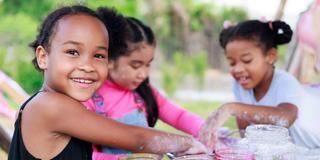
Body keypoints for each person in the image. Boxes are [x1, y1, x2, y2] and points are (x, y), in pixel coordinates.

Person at [8, 5, 209, 160]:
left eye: (98, 55)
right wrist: (189, 143)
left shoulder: (54, 105)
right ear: (43, 57)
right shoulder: (50, 105)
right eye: (72, 52)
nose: (87, 66)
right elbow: (137, 138)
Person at [83, 8, 207, 160]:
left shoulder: (142, 92)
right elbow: (86, 155)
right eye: (135, 66)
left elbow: (178, 116)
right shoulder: (89, 99)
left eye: (148, 65)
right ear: (109, 60)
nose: (144, 74)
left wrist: (208, 130)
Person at [199, 19, 320, 150]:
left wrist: (231, 108)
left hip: (314, 147)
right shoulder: (240, 84)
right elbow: (245, 132)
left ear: (271, 56)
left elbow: (285, 118)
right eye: (232, 63)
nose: (237, 69)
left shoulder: (286, 83)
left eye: (246, 60)